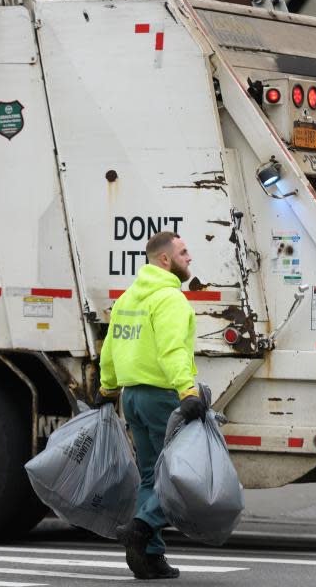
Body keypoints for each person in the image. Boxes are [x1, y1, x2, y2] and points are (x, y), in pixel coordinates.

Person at [97, 231, 206, 580]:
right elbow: (172, 350)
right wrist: (187, 391)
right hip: (162, 397)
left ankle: (148, 558)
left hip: (132, 397)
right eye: (184, 252)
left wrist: (107, 387)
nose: (189, 258)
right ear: (164, 259)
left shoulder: (129, 297)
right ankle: (141, 528)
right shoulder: (170, 299)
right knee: (182, 474)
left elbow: (110, 348)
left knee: (150, 475)